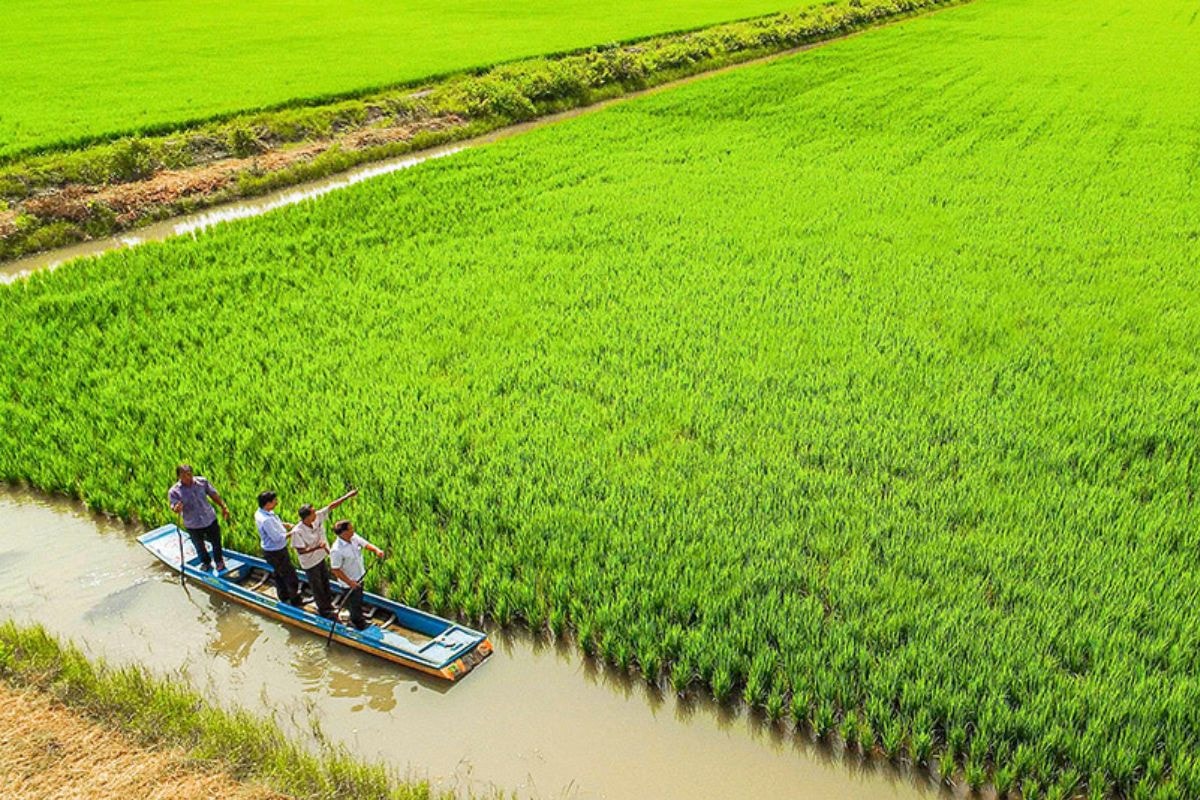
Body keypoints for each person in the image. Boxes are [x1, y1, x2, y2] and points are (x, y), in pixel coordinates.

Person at [290, 489, 357, 619]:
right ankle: (324, 610)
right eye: (313, 512)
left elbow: (331, 506)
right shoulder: (297, 531)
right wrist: (317, 547)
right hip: (310, 563)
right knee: (317, 587)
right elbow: (300, 551)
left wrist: (347, 496)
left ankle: (329, 605)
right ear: (307, 517)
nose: (316, 513)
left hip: (321, 557)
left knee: (325, 582)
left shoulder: (317, 517)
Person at [167, 464, 231, 573]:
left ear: (192, 473)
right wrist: (177, 508)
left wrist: (223, 507)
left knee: (216, 542)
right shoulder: (174, 491)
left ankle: (219, 562)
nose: (187, 477)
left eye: (189, 474)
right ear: (178, 476)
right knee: (199, 545)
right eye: (183, 475)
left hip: (209, 518)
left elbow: (213, 494)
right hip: (193, 524)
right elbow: (174, 507)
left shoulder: (202, 482)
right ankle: (206, 562)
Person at [329, 519, 385, 630]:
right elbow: (335, 570)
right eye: (350, 529)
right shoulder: (336, 550)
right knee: (354, 603)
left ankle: (358, 616)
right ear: (344, 533)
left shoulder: (353, 538)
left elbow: (365, 544)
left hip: (359, 576)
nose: (353, 530)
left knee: (358, 599)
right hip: (349, 582)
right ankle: (357, 623)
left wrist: (376, 550)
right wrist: (350, 583)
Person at [254, 491, 303, 608]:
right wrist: (293, 532)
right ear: (268, 503)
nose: (276, 502)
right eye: (274, 501)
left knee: (279, 574)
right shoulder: (266, 520)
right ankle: (295, 601)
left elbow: (275, 524)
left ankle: (284, 597)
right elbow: (277, 538)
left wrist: (285, 525)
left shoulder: (262, 512)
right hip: (276, 552)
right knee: (290, 576)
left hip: (272, 550)